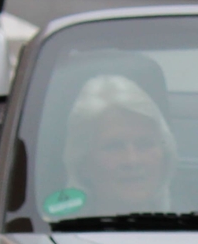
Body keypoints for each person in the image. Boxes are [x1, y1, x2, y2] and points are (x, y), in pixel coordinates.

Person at [52, 75, 178, 217]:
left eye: (145, 144)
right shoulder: (58, 236)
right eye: (114, 147)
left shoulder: (195, 233)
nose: (132, 161)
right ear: (83, 164)